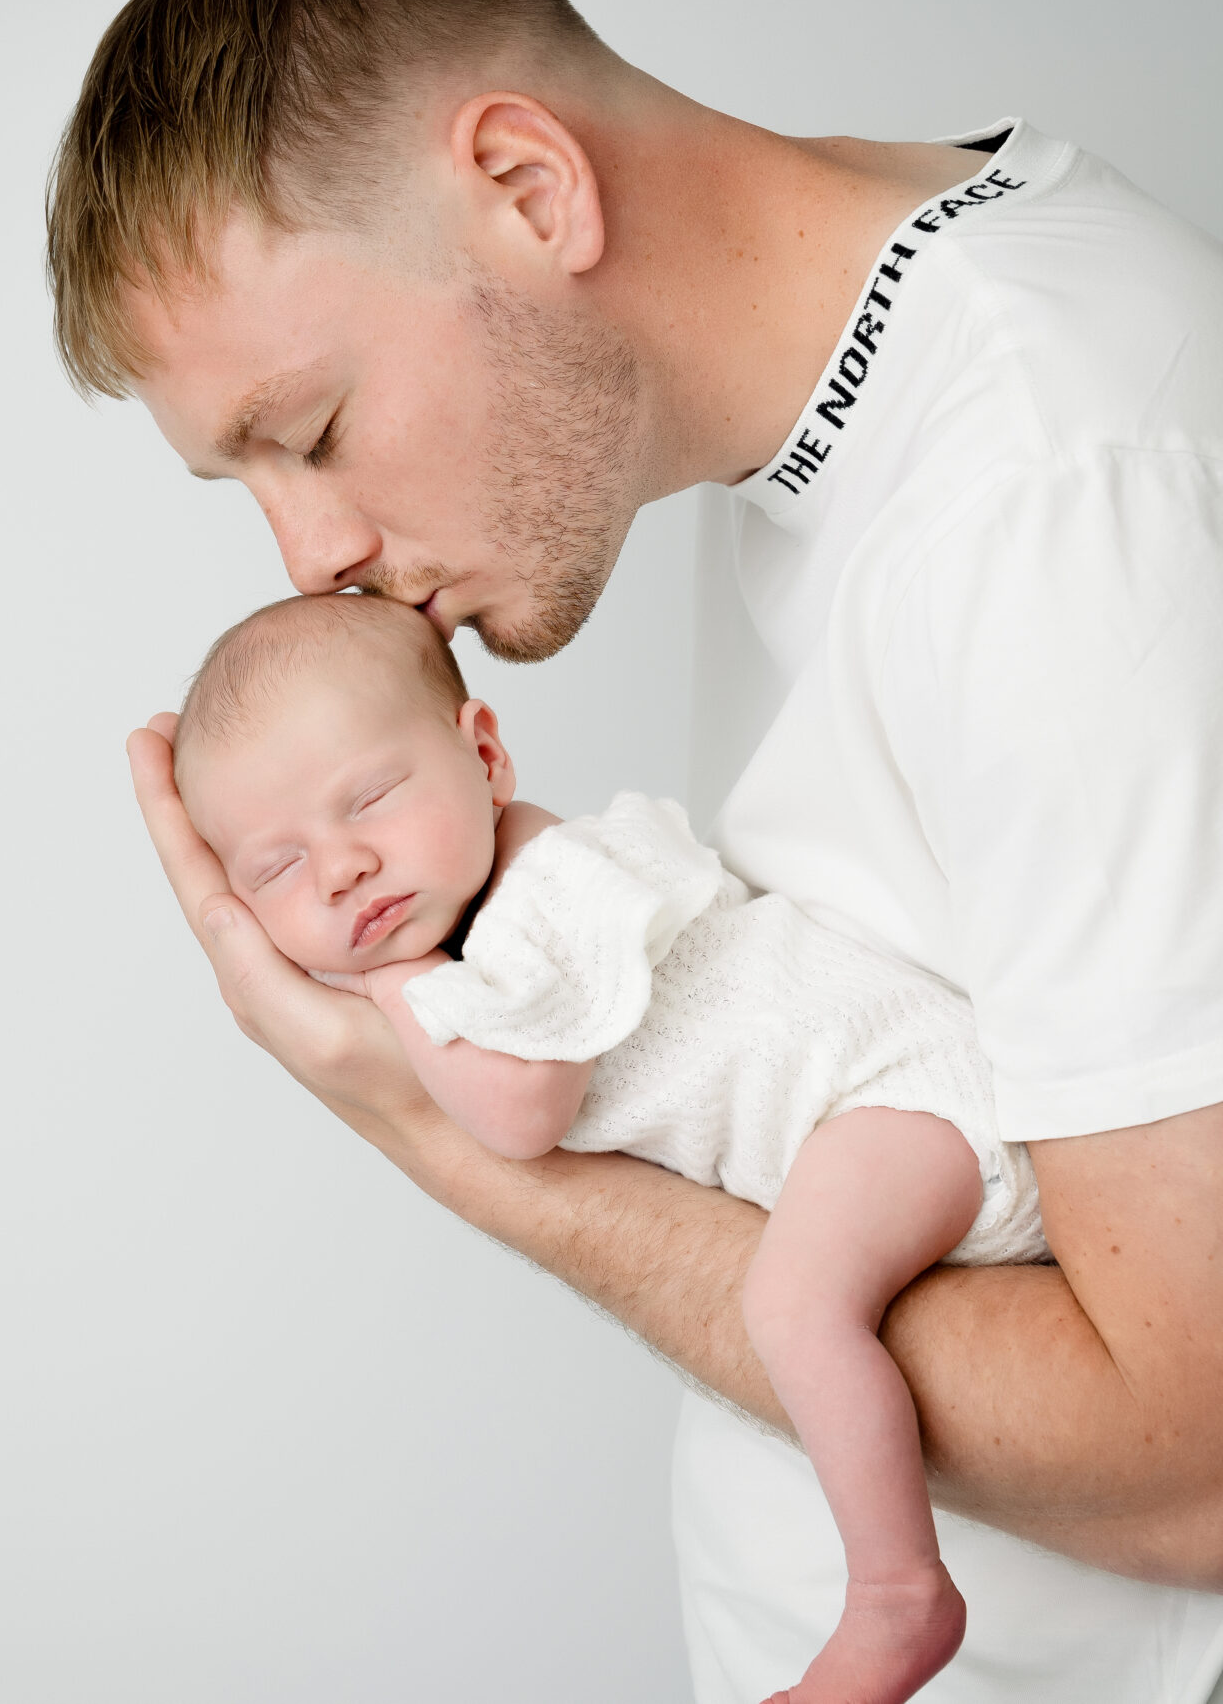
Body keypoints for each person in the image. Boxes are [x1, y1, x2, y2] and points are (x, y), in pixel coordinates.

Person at [46, 0, 1223, 1699]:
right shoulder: (828, 422)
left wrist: (450, 1142)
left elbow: (1219, 1471)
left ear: (530, 188)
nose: (311, 553)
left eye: (306, 430)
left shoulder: (1084, 505)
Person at [173, 590, 1055, 1702]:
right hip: (868, 1131)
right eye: (274, 870)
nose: (340, 868)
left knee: (788, 1306)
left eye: (370, 799)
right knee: (794, 1305)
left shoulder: (551, 883)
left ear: (484, 754)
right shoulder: (484, 931)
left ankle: (896, 1594)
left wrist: (396, 988)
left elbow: (521, 1112)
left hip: (905, 1096)